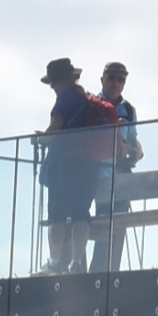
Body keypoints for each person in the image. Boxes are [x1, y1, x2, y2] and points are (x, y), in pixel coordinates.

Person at [37, 58, 118, 274]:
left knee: (56, 215)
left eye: (53, 82)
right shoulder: (85, 97)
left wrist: (41, 139)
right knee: (81, 213)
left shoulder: (65, 99)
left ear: (62, 80)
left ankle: (55, 263)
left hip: (63, 167)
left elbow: (54, 128)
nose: (53, 87)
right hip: (88, 165)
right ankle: (76, 263)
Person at [89, 61, 143, 272]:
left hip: (120, 175)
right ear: (102, 79)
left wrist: (134, 151)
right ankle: (97, 272)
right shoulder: (92, 105)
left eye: (121, 79)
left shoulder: (129, 110)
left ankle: (111, 272)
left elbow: (133, 139)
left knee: (119, 226)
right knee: (102, 225)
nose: (116, 83)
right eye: (112, 78)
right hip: (98, 174)